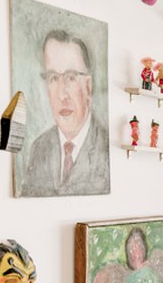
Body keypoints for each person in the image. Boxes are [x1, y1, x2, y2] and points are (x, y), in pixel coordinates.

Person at [17, 29, 110, 197]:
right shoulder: (39, 149)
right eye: (53, 78)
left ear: (88, 87)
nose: (62, 95)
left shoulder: (106, 148)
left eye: (71, 78)